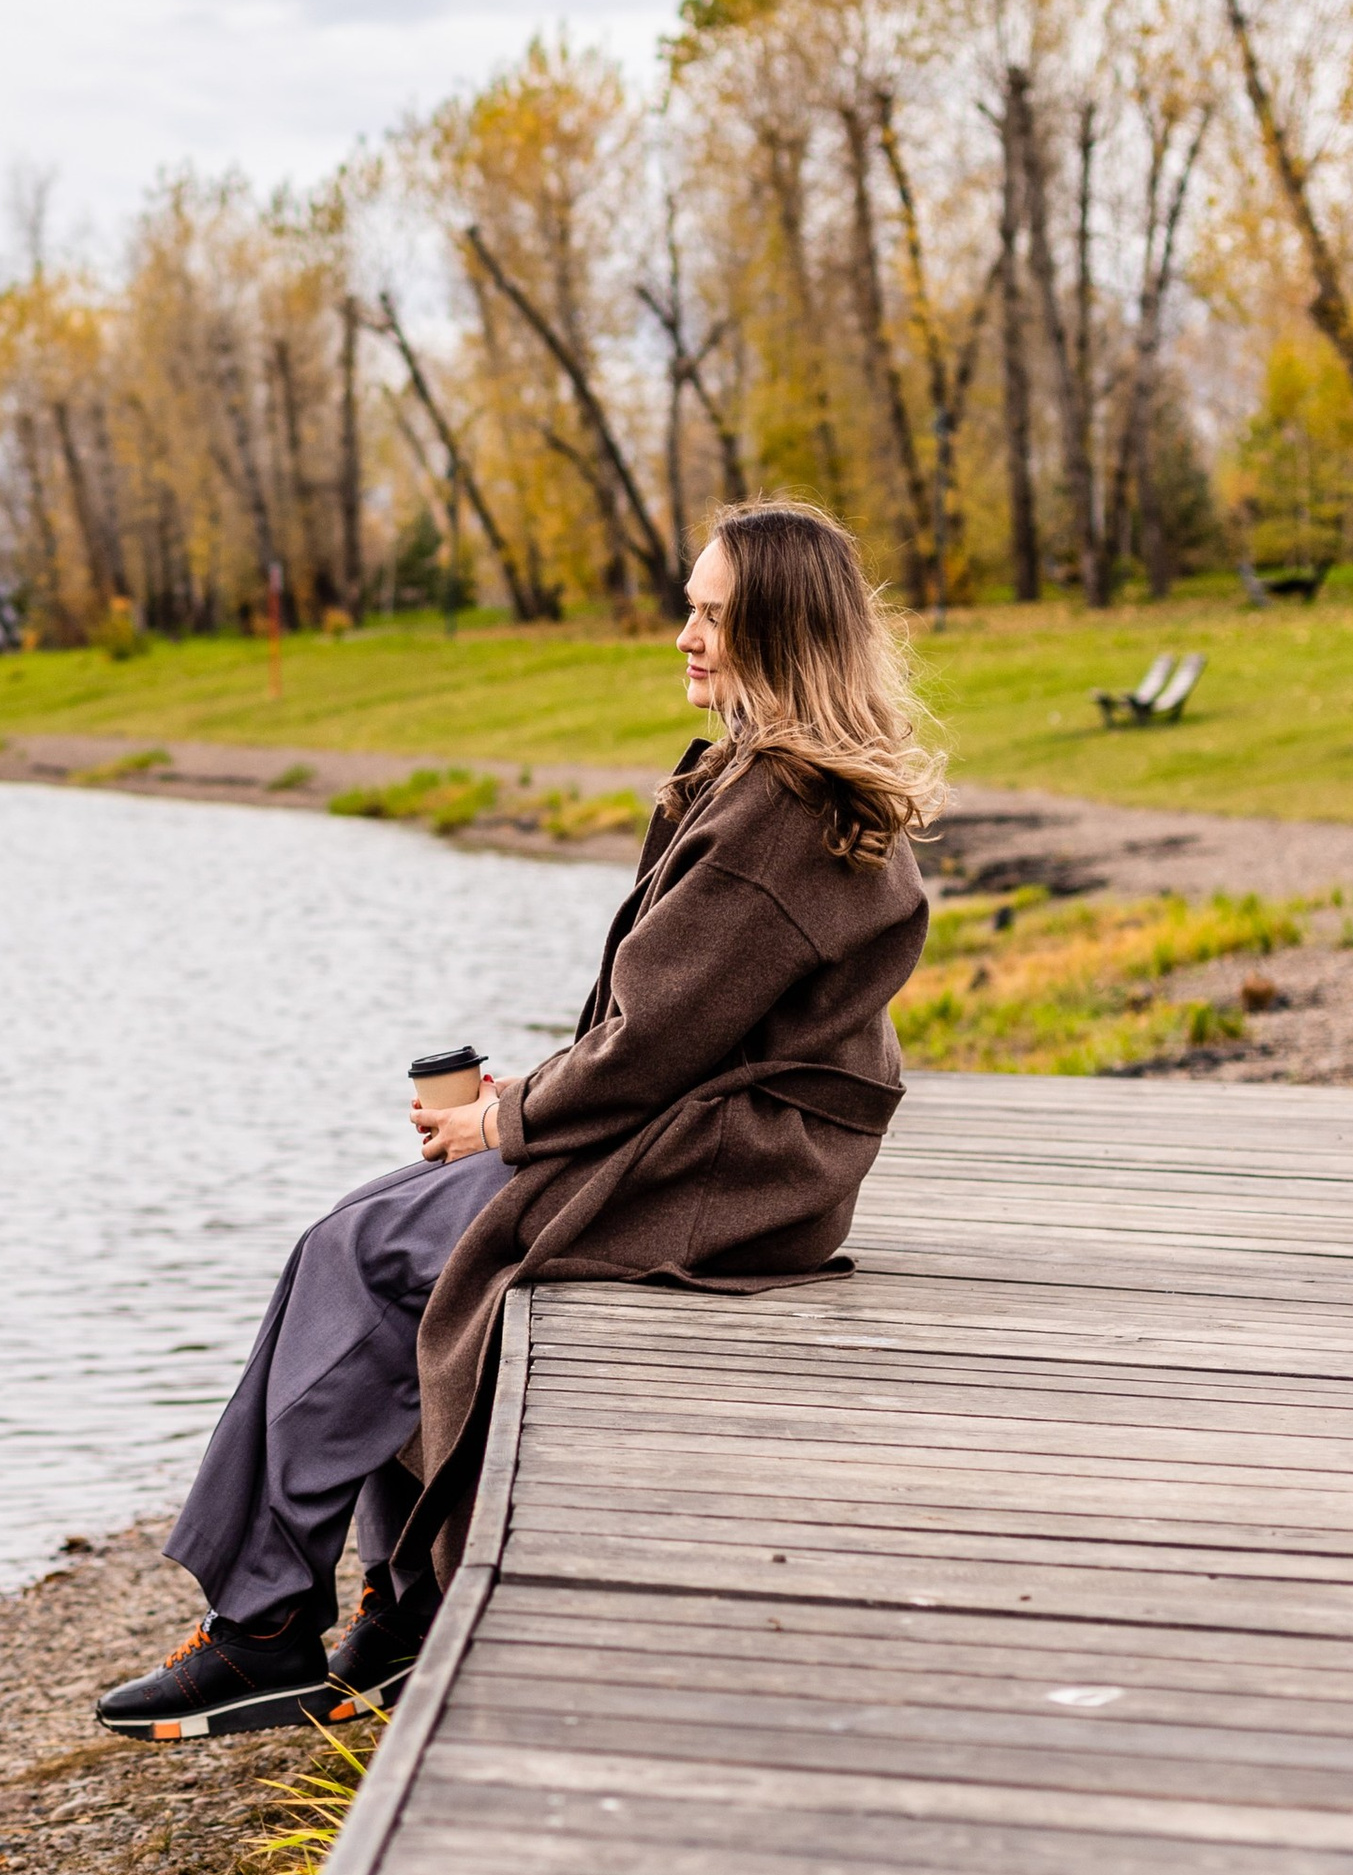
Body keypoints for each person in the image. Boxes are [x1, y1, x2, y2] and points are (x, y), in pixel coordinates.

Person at [95, 498, 942, 1738]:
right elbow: (673, 1027)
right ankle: (394, 1606)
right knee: (374, 1236)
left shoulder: (777, 809)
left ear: (781, 634)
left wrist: (508, 1121)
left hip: (726, 1166)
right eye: (691, 609)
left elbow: (649, 1045)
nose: (685, 636)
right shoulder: (773, 782)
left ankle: (268, 1629)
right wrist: (523, 1101)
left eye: (713, 617)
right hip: (726, 1145)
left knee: (373, 1255)